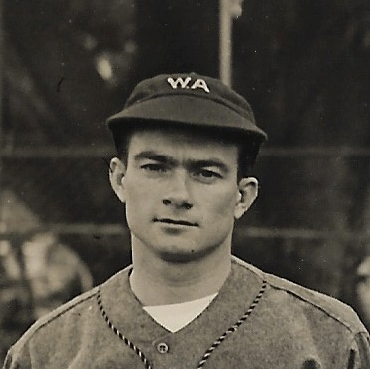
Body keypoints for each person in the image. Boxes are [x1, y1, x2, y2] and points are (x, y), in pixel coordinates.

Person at [3, 72, 370, 369]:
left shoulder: (328, 340)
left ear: (242, 196)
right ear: (119, 179)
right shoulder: (46, 351)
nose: (178, 194)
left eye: (206, 173)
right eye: (155, 167)